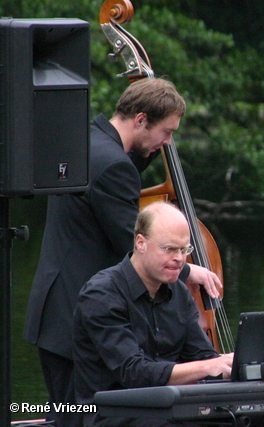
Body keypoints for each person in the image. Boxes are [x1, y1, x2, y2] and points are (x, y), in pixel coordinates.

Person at [23, 78, 223, 425]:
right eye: (166, 131)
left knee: (69, 415)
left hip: (55, 307)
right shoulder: (115, 167)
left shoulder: (86, 139)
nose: (167, 143)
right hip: (79, 315)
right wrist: (189, 271)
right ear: (141, 119)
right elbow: (130, 241)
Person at [73, 201, 234, 427]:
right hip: (113, 413)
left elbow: (202, 357)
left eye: (184, 250)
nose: (179, 258)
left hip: (165, 408)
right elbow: (134, 373)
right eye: (169, 249)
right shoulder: (102, 294)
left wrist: (234, 367)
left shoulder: (179, 292)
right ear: (141, 243)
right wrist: (208, 367)